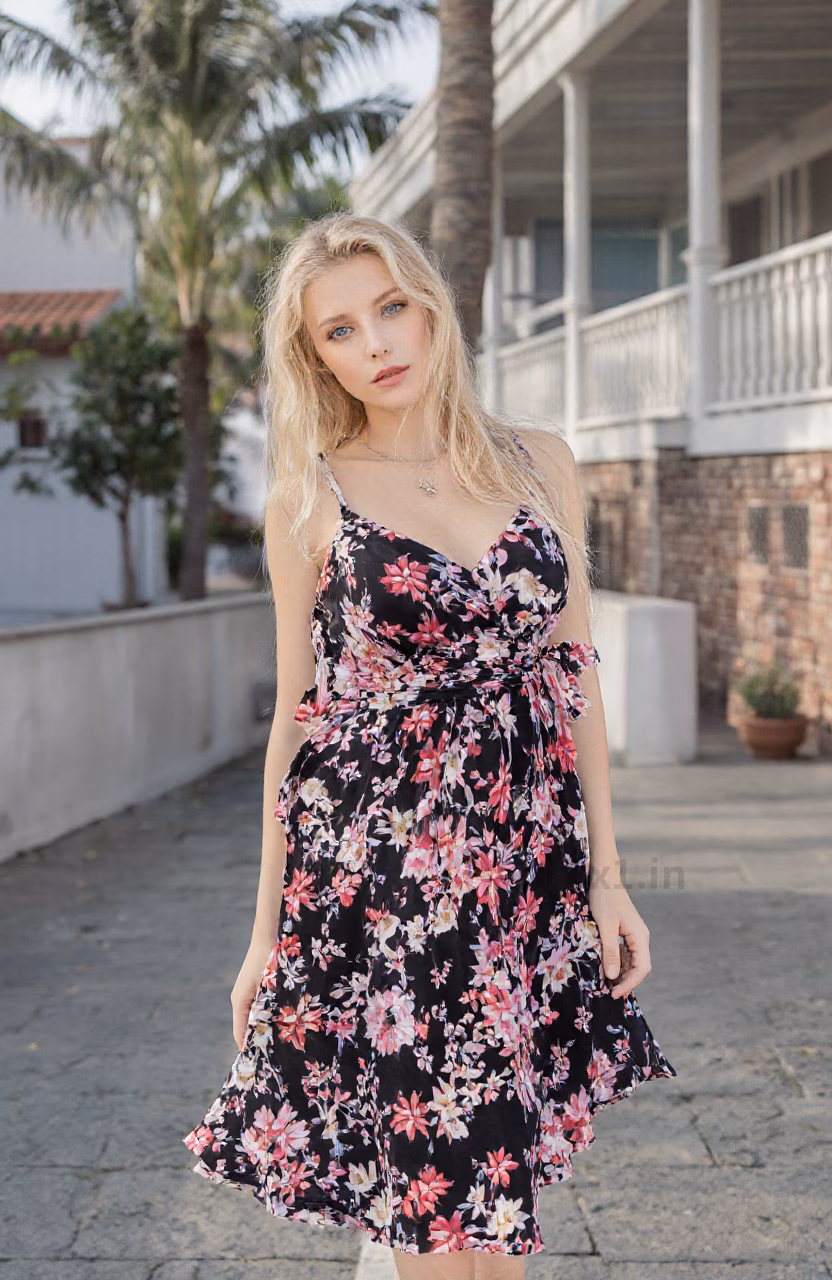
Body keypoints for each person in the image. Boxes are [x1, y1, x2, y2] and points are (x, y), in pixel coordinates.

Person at [184, 210, 676, 1276]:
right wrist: (264, 930)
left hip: (520, 866)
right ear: (314, 355)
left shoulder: (538, 461)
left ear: (430, 302)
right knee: (442, 1216)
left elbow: (572, 680)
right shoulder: (310, 493)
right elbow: (297, 717)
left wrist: (607, 879)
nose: (377, 344)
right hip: (388, 875)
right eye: (340, 331)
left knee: (494, 1203)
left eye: (390, 307)